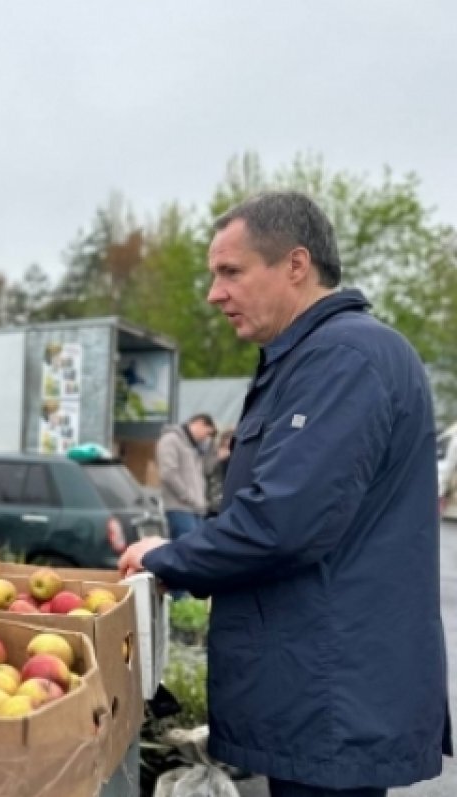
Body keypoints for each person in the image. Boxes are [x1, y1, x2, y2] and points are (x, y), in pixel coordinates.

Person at [120, 191, 450, 797]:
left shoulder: (344, 359)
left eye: (231, 272)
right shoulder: (309, 360)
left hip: (333, 700)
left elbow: (282, 521)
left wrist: (165, 558)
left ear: (295, 265)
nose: (214, 293)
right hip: (320, 695)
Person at [156, 412, 216, 540]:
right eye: (208, 433)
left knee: (198, 548)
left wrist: (211, 448)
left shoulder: (195, 447)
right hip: (179, 508)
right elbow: (168, 473)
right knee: (186, 550)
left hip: (196, 509)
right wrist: (186, 496)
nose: (207, 437)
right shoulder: (171, 440)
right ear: (199, 423)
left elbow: (208, 470)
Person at [204, 428, 233, 519]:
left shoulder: (236, 455)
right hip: (214, 500)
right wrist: (218, 459)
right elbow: (207, 470)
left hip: (227, 499)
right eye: (227, 438)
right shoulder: (214, 453)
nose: (228, 442)